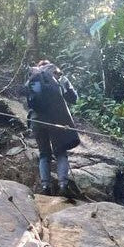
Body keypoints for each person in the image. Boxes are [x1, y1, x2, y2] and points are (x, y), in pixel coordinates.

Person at [25, 60, 81, 197]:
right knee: (61, 151)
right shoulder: (59, 77)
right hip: (57, 120)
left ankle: (45, 186)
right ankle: (63, 184)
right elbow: (74, 99)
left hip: (36, 120)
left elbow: (28, 101)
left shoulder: (33, 78)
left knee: (44, 153)